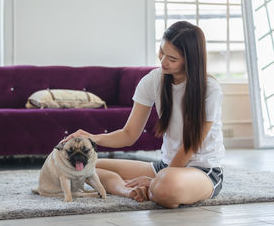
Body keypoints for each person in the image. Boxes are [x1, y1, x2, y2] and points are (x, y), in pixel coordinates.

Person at [63, 21, 225, 208]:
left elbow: (190, 146)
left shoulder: (210, 89)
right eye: (161, 52)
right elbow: (129, 134)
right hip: (165, 167)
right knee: (84, 167)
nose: (163, 61)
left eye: (172, 59)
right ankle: (130, 191)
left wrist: (159, 178)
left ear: (190, 60)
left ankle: (154, 186)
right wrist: (92, 138)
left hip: (202, 171)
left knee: (165, 187)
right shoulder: (153, 80)